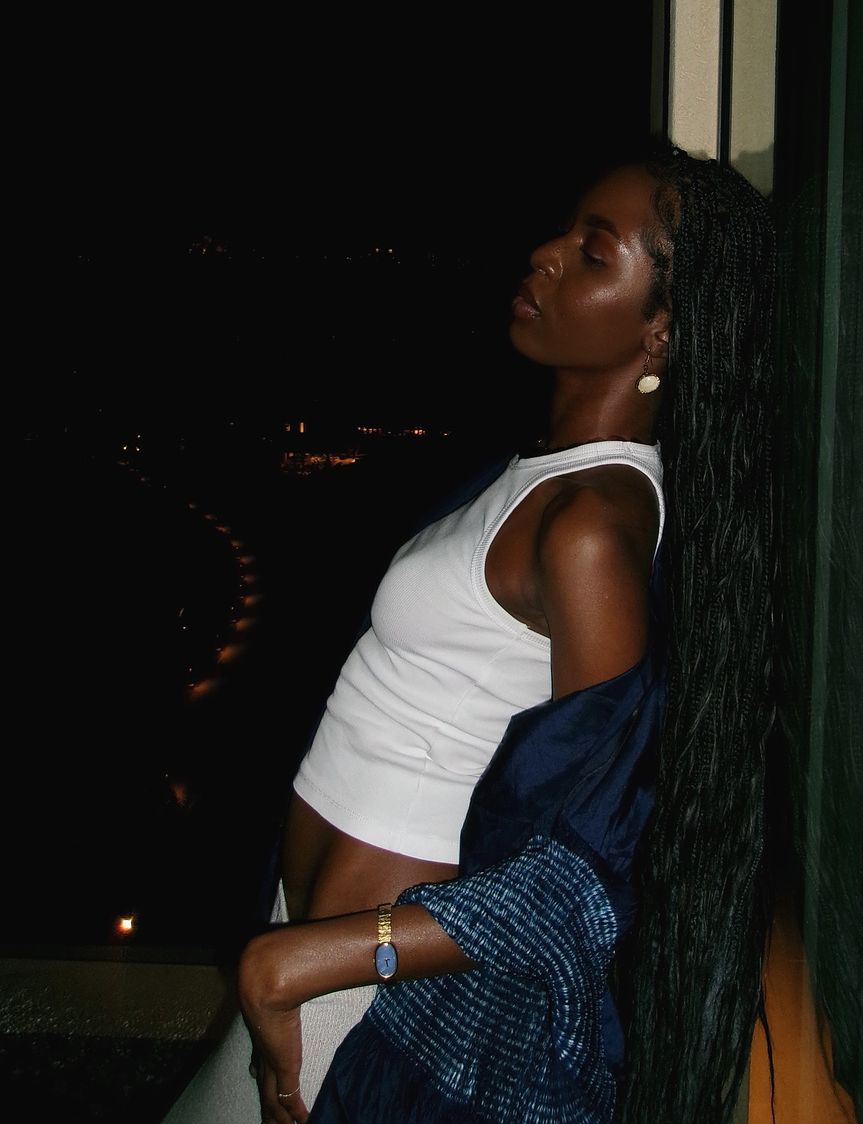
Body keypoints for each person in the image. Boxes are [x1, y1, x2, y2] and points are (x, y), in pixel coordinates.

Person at [164, 136, 780, 1124]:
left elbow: (586, 873)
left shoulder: (590, 526)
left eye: (592, 251)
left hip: (368, 986)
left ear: (663, 331)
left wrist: (319, 956)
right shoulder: (545, 476)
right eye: (565, 230)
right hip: (318, 947)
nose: (544, 253)